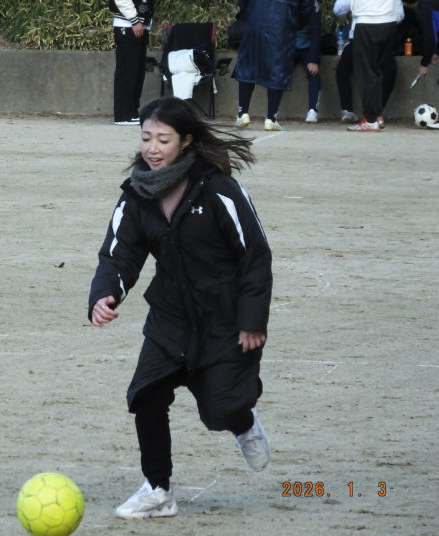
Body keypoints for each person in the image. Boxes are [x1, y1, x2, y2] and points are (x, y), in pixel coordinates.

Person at [88, 97, 273, 519]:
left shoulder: (219, 190)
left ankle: (242, 421)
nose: (152, 148)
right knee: (145, 395)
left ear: (186, 141)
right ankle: (158, 490)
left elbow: (255, 257)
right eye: (146, 137)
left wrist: (251, 320)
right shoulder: (136, 193)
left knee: (220, 411)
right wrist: (105, 294)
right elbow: (118, 254)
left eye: (163, 139)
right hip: (170, 317)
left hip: (225, 319)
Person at [234, 0, 314, 131]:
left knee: (248, 65)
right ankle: (271, 118)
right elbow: (307, 8)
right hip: (282, 25)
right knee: (278, 69)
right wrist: (293, 22)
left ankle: (242, 113)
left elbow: (243, 4)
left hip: (255, 22)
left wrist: (251, 16)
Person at [333, 2, 400, 126]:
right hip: (387, 26)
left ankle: (372, 118)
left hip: (366, 25)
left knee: (367, 73)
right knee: (371, 71)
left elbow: (339, 10)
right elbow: (399, 14)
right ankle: (370, 114)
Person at [402, 0, 439, 129]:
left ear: (404, 3)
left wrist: (425, 64)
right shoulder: (429, 6)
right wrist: (437, 53)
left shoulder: (424, 10)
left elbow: (431, 39)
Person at [110, 0, 154, 126]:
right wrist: (134, 20)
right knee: (127, 70)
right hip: (128, 25)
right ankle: (123, 115)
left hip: (139, 26)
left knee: (137, 72)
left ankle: (132, 112)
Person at [295, 1, 323, 122]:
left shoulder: (313, 5)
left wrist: (313, 59)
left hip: (307, 47)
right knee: (277, 70)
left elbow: (316, 32)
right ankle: (273, 112)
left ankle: (313, 110)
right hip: (288, 46)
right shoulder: (286, 3)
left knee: (313, 73)